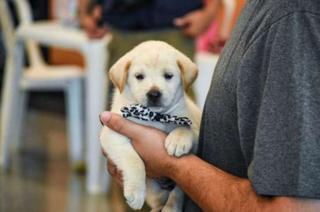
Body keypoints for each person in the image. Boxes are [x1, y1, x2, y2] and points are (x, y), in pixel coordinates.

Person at [100, 0, 320, 211]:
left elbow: (295, 206)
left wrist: (172, 165)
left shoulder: (294, 16)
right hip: (121, 21)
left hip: (172, 20)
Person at [78, 0, 221, 66]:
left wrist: (209, 14)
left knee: (178, 116)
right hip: (123, 28)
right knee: (120, 112)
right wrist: (84, 12)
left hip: (176, 28)